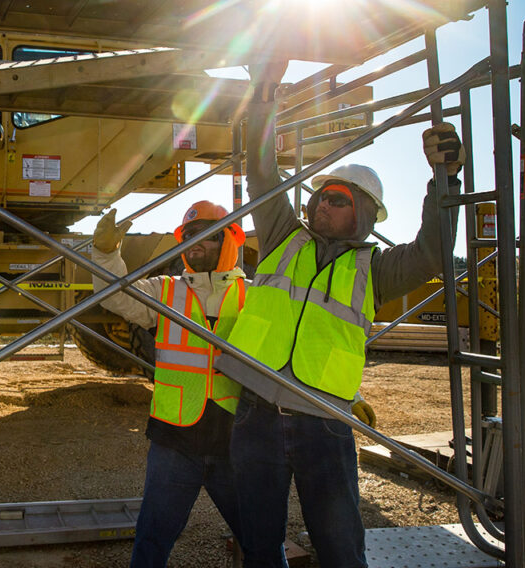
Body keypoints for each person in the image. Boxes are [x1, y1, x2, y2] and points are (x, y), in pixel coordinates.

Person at [214, 61, 464, 568]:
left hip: (323, 422)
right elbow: (263, 174)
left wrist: (445, 179)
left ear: (364, 214)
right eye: (319, 196)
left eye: (336, 199)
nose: (320, 205)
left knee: (340, 549)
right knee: (258, 546)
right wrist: (264, 95)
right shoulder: (284, 236)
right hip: (256, 413)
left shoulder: (376, 268)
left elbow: (432, 253)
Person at [91, 201, 247, 567]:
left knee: (261, 541)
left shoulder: (252, 297)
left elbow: (299, 351)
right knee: (152, 540)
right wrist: (105, 254)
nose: (193, 242)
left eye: (204, 234)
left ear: (228, 239)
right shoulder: (165, 291)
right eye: (188, 235)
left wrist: (351, 397)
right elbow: (115, 295)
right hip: (175, 441)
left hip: (235, 441)